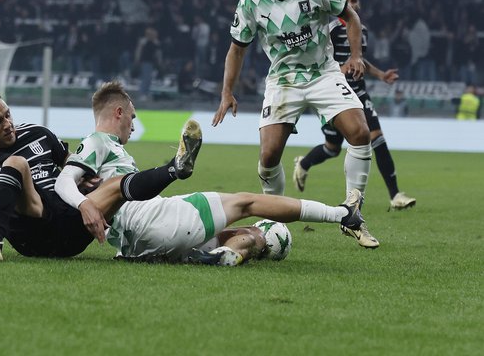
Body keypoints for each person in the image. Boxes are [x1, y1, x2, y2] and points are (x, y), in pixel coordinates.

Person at [55, 81, 367, 265]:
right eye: (131, 118)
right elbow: (63, 180)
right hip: (155, 218)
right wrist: (84, 204)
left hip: (137, 245)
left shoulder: (107, 152)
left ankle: (227, 254)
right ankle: (341, 214)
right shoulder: (97, 141)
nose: (133, 126)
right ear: (118, 113)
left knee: (245, 235)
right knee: (246, 202)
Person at [0, 90, 198, 261]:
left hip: (68, 230)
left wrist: (90, 184)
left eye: (8, 114)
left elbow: (71, 167)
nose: (8, 124)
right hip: (30, 232)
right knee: (15, 165)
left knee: (114, 187)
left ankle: (175, 167)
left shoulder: (38, 132)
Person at [211, 0, 378, 248]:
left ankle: (353, 209)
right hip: (284, 80)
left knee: (359, 132)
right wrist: (227, 92)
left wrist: (355, 56)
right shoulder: (250, 2)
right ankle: (273, 220)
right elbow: (237, 49)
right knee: (269, 155)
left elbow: (350, 17)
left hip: (323, 73)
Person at [292, 0, 416, 212]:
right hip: (333, 94)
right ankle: (304, 163)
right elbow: (315, 63)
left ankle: (396, 195)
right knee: (332, 148)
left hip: (359, 93)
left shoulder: (362, 30)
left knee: (376, 137)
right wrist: (340, 69)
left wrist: (380, 75)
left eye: (355, 0)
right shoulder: (327, 30)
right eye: (347, 0)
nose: (352, 4)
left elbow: (360, 61)